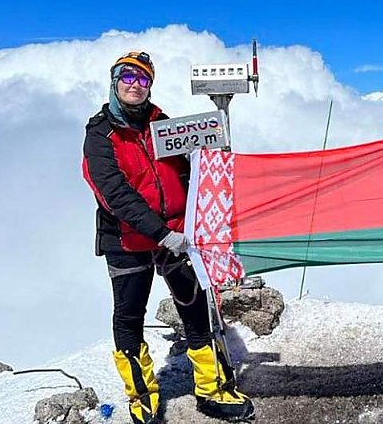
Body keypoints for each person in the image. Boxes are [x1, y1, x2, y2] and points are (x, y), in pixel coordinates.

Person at [82, 51, 255, 423]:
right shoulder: (100, 135)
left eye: (143, 79)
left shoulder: (164, 124)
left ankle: (212, 389)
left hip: (178, 234)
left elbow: (191, 170)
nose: (134, 84)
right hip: (128, 241)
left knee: (195, 309)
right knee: (129, 317)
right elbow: (114, 193)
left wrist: (211, 159)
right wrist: (161, 234)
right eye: (127, 76)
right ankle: (141, 396)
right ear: (115, 82)